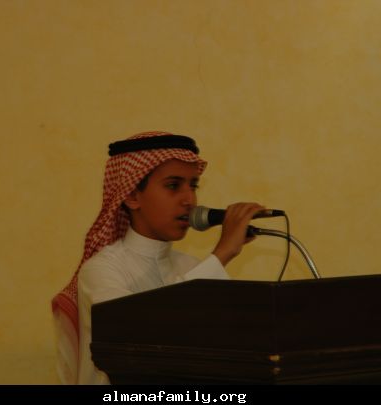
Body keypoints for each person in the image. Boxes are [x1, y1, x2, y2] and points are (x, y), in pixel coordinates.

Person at [51, 131, 264, 384]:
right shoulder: (101, 270)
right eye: (173, 186)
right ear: (132, 196)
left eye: (193, 185)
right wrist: (222, 253)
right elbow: (143, 335)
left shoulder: (193, 267)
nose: (189, 200)